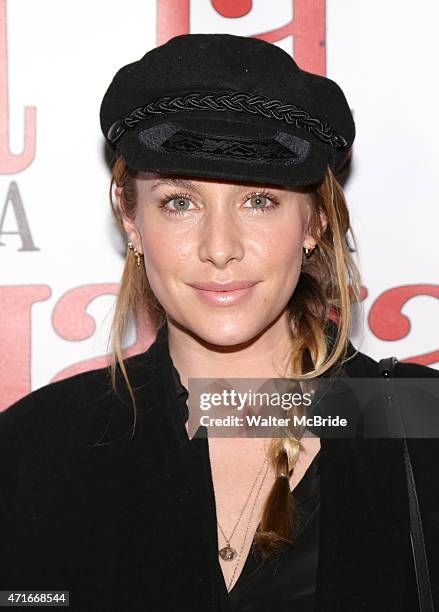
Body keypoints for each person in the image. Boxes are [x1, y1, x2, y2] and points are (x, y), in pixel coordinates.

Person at [0, 33, 438, 612]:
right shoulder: (36, 448)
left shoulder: (420, 423)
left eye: (260, 200)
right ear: (131, 222)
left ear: (315, 225)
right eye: (180, 202)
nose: (220, 248)